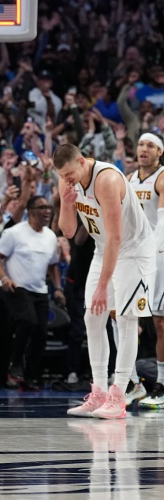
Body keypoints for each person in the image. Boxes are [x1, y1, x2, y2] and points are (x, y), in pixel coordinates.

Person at [54, 143, 155, 419]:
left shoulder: (107, 180)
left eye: (69, 174)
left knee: (125, 318)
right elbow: (69, 231)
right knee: (92, 317)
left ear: (82, 161)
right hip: (103, 249)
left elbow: (116, 237)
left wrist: (102, 286)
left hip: (133, 250)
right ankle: (98, 392)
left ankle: (119, 396)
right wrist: (66, 202)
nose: (67, 180)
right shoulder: (67, 180)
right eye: (62, 176)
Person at [0, 195, 63, 390]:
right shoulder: (14, 233)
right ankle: (16, 365)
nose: (47, 211)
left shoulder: (50, 236)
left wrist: (58, 288)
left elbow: (53, 266)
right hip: (16, 287)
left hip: (39, 289)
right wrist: (4, 278)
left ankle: (29, 378)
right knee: (28, 320)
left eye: (49, 208)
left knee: (41, 333)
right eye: (42, 208)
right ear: (31, 212)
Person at [130, 133, 164, 409]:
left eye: (150, 145)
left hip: (158, 255)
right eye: (141, 144)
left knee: (160, 323)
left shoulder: (162, 178)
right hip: (134, 255)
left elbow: (162, 222)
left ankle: (161, 385)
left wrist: (151, 252)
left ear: (159, 152)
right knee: (125, 317)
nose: (144, 149)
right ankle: (132, 383)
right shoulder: (129, 179)